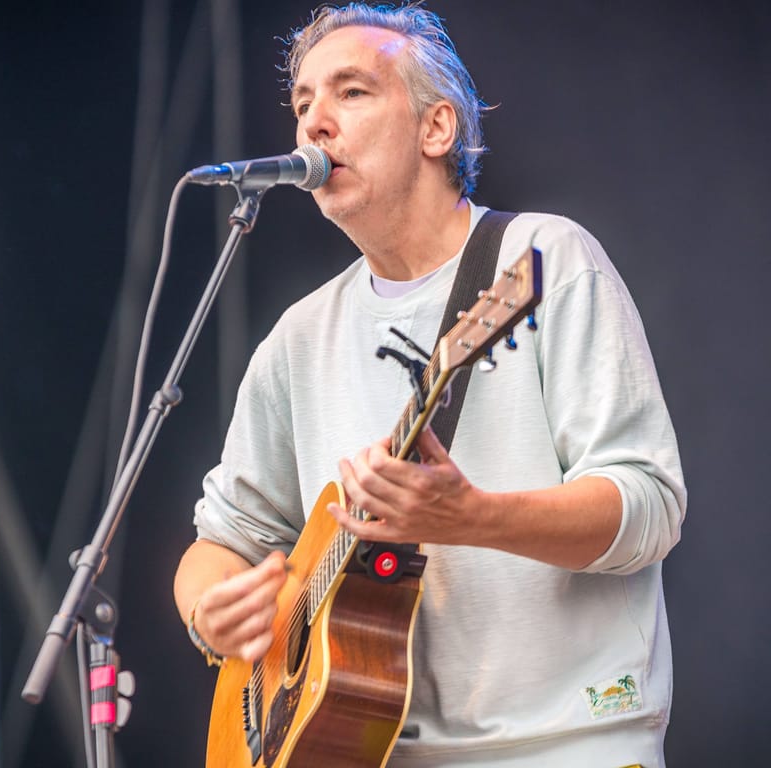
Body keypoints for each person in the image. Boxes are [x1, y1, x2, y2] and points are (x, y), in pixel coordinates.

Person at [173, 3, 686, 765]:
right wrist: (210, 615)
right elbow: (218, 546)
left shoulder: (544, 260)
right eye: (303, 103)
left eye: (350, 92)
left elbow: (649, 509)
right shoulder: (296, 339)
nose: (314, 123)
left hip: (568, 743)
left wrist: (474, 516)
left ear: (436, 129)